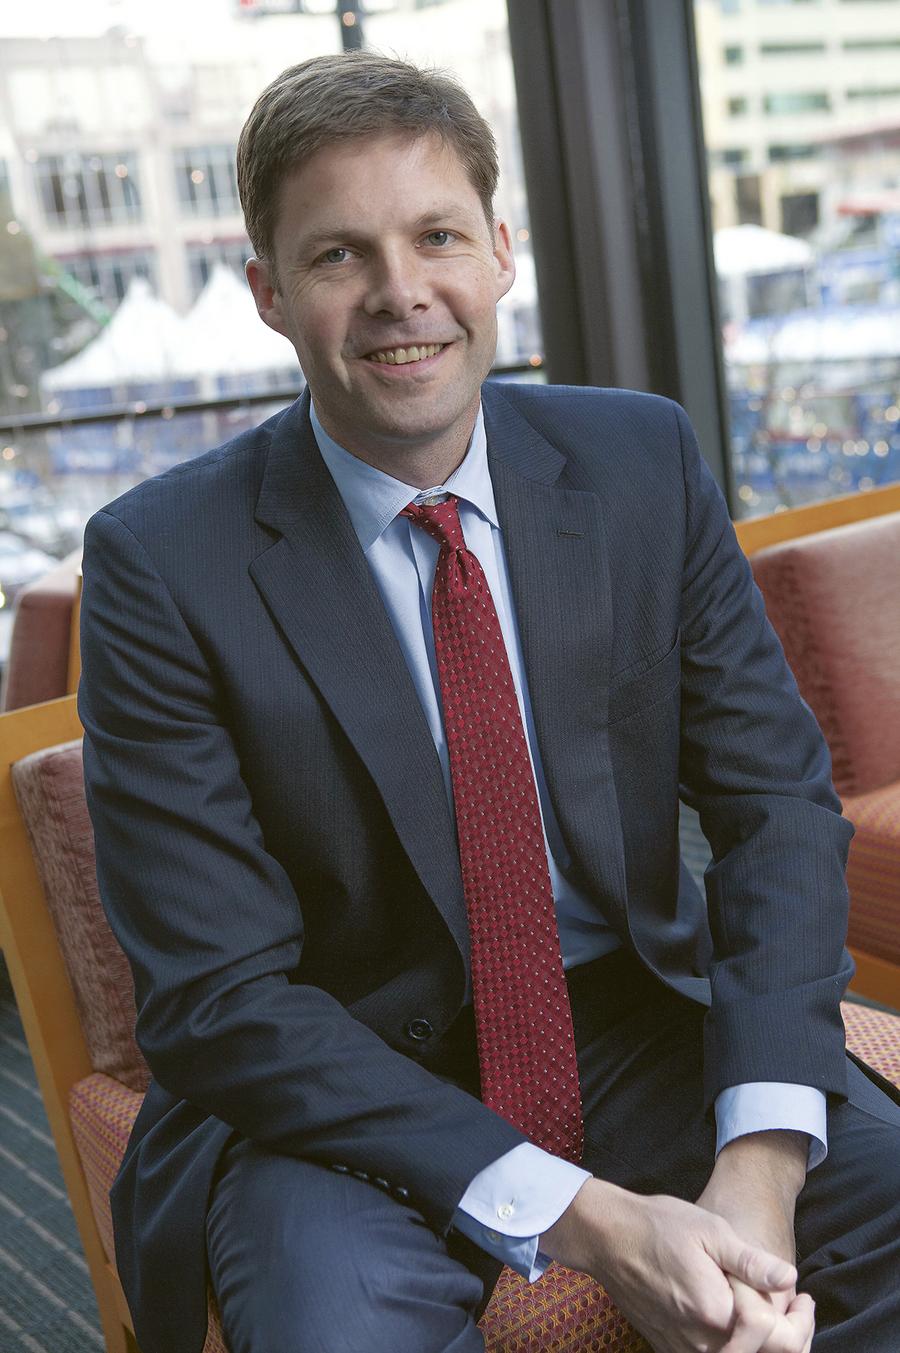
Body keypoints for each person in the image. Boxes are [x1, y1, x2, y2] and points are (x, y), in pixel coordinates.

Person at [78, 52, 900, 1353]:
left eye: (437, 235)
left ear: (502, 250)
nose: (402, 291)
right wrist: (593, 1220)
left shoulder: (639, 461)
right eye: (340, 255)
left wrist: (761, 1157)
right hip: (332, 1095)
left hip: (627, 1015)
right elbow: (219, 998)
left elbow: (776, 811)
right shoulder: (158, 564)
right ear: (269, 294)